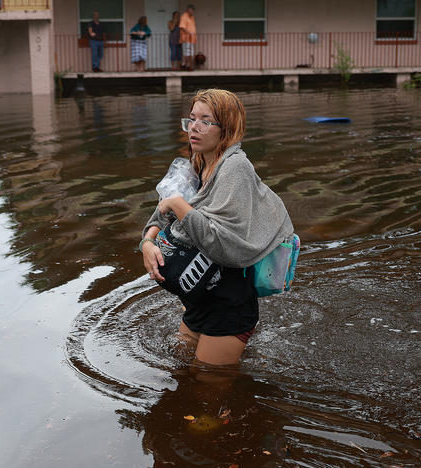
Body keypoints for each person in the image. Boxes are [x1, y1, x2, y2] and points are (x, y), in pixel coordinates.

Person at [139, 89, 294, 366]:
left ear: (227, 129)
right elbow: (158, 215)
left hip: (229, 302)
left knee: (209, 384)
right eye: (191, 119)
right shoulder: (196, 163)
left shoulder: (236, 168)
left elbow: (223, 244)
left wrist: (178, 205)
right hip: (199, 296)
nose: (194, 128)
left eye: (205, 121)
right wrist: (147, 244)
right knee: (182, 366)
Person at [179, 4, 197, 70]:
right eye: (192, 10)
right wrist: (189, 32)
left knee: (191, 52)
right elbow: (182, 27)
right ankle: (185, 65)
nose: (193, 12)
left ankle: (187, 65)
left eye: (193, 11)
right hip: (186, 38)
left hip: (191, 38)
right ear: (188, 10)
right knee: (187, 52)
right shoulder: (184, 17)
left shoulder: (192, 17)